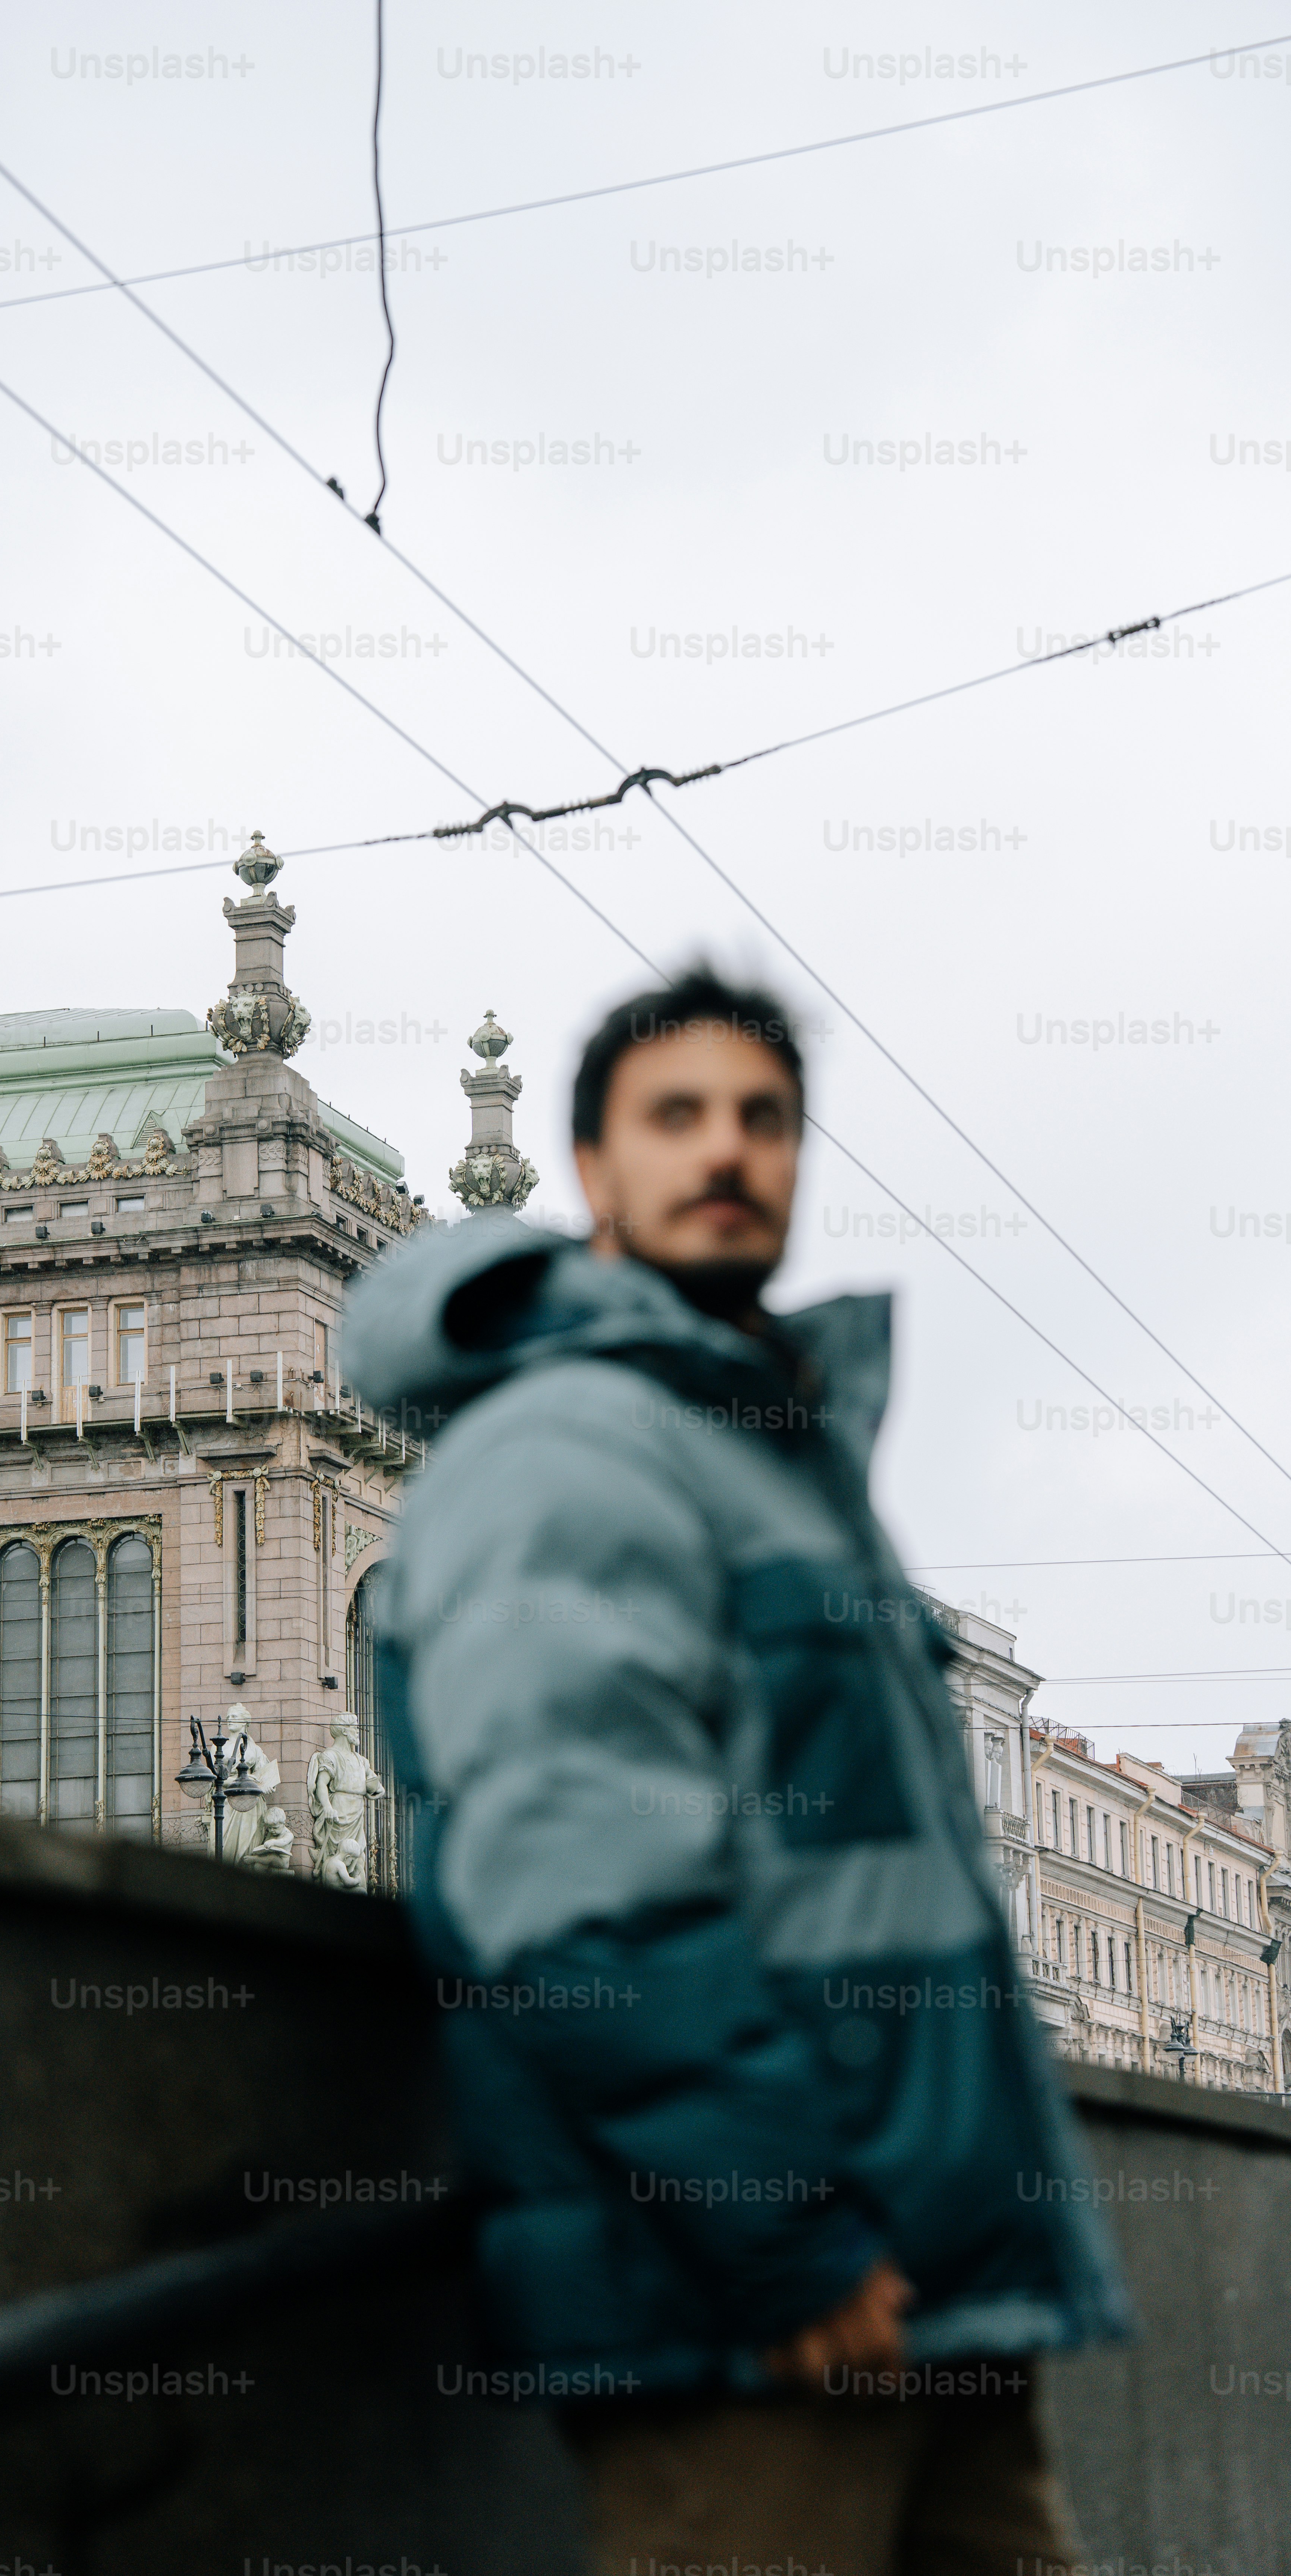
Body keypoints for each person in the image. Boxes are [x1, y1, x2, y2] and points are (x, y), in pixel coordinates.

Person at [341, 968, 1131, 2576]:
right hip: (754, 2313)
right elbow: (575, 1886)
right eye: (677, 1115)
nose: (730, 1151)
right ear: (592, 1171)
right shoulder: (566, 1445)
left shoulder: (765, 1459)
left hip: (934, 2286)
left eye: (765, 1119)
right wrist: (782, 2237)